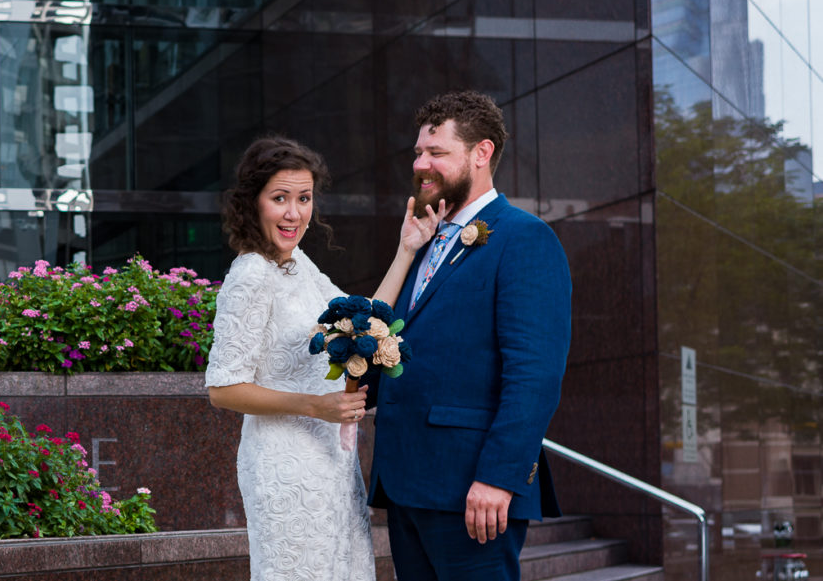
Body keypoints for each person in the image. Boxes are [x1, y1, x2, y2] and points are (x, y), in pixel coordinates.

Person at [204, 135, 445, 581]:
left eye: (304, 198)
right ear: (253, 202)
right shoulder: (252, 274)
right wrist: (315, 406)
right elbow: (222, 388)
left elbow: (366, 322)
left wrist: (407, 250)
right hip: (282, 463)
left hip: (330, 460)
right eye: (280, 198)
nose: (294, 213)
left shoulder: (299, 266)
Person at [367, 90, 572, 581]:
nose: (422, 164)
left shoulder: (525, 238)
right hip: (407, 484)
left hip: (472, 490)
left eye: (437, 153)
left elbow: (534, 374)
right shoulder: (426, 238)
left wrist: (498, 478)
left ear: (481, 153)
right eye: (418, 152)